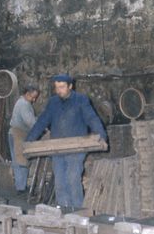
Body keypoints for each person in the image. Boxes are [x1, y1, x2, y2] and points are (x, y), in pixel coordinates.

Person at [26, 74, 107, 209]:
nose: (59, 91)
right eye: (57, 87)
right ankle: (64, 211)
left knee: (72, 178)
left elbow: (91, 118)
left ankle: (77, 211)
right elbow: (42, 121)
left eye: (62, 87)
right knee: (59, 182)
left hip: (77, 148)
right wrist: (29, 140)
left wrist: (102, 136)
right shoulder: (53, 102)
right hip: (57, 148)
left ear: (70, 86)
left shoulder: (81, 100)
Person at [8, 84, 40, 193]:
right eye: (33, 97)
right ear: (27, 94)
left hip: (19, 134)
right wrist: (42, 128)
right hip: (18, 134)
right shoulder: (24, 104)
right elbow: (30, 122)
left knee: (21, 161)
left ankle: (21, 186)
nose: (34, 100)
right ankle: (21, 188)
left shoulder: (23, 102)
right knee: (20, 161)